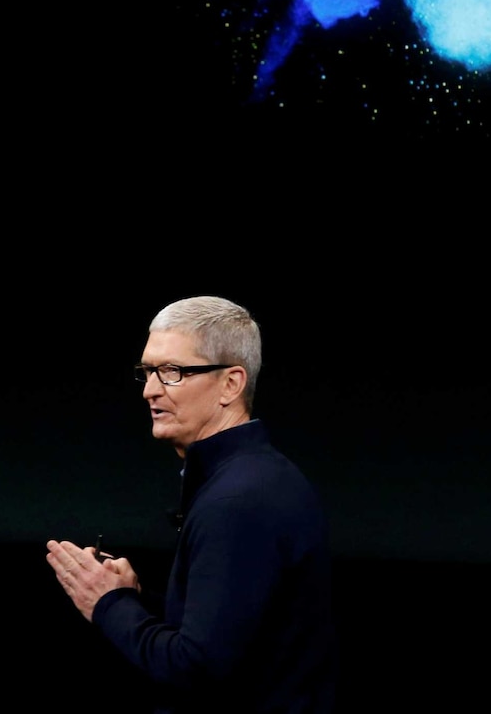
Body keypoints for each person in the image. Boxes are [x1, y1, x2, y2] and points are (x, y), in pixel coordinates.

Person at [46, 295, 338, 713]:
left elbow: (197, 669)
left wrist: (108, 604)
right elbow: (234, 630)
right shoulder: (254, 478)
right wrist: (136, 598)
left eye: (173, 372)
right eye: (147, 372)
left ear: (231, 384)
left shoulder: (239, 501)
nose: (150, 390)